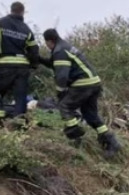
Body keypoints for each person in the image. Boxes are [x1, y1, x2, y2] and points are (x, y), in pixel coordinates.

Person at [42, 28, 122, 157]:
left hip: (83, 84)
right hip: (94, 82)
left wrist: (60, 92)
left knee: (65, 106)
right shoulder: (64, 47)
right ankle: (111, 141)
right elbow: (53, 64)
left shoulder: (59, 51)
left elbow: (61, 76)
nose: (47, 46)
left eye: (46, 43)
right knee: (90, 115)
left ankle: (76, 136)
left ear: (50, 41)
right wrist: (38, 59)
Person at [0, 1, 39, 124]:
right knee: (20, 97)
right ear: (22, 12)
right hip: (22, 67)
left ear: (11, 10)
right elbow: (34, 50)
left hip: (4, 64)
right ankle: (19, 124)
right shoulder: (27, 29)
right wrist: (33, 64)